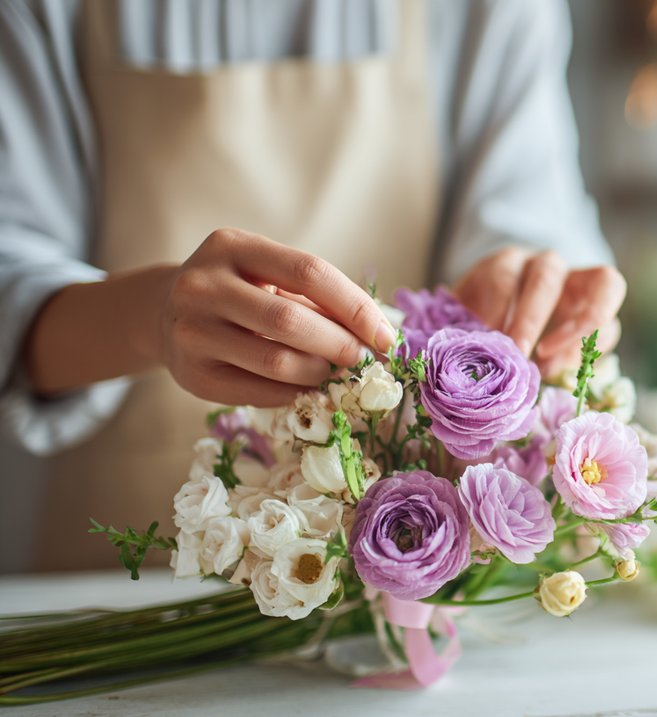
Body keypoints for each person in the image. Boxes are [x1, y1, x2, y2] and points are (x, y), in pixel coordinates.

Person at [0, 0, 624, 572]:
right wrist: (152, 318)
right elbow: (12, 276)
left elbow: (527, 211)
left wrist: (527, 293)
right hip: (120, 570)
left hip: (400, 566)